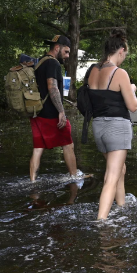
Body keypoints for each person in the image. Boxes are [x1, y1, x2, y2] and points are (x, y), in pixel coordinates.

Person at [87, 29, 137, 220]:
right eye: (125, 54)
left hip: (98, 127)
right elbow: (133, 106)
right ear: (121, 50)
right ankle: (102, 222)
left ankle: (121, 206)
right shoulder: (120, 73)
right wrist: (132, 89)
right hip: (116, 128)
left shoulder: (92, 71)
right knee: (111, 177)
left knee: (119, 169)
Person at [29, 35, 81, 182]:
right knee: (68, 145)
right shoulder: (53, 64)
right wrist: (61, 112)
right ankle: (74, 177)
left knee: (38, 149)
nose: (67, 56)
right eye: (66, 51)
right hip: (50, 114)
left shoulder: (40, 63)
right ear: (57, 48)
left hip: (36, 112)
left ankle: (32, 181)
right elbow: (53, 88)